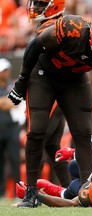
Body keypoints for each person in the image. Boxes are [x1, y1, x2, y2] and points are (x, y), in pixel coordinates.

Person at [7, 11, 92, 208]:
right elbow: (35, 45)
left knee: (83, 132)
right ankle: (31, 192)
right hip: (43, 73)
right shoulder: (73, 28)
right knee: (37, 130)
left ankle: (88, 192)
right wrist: (21, 82)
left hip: (74, 80)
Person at [22, 0, 71, 189]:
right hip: (54, 96)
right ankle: (72, 189)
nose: (37, 8)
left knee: (37, 143)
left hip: (49, 95)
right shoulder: (53, 26)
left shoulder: (52, 28)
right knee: (52, 146)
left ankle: (31, 191)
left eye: (42, 4)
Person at [0, 58, 25, 198]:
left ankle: (18, 191)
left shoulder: (12, 85)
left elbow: (15, 102)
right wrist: (6, 102)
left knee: (15, 159)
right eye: (3, 70)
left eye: (7, 70)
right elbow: (8, 102)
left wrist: (5, 102)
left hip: (12, 128)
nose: (6, 73)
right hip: (0, 129)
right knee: (0, 162)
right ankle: (1, 192)